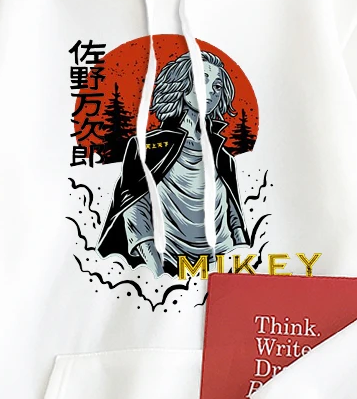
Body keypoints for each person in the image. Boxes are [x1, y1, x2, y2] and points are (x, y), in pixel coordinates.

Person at [97, 50, 250, 277]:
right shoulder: (147, 147)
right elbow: (135, 213)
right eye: (201, 79)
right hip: (168, 269)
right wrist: (158, 275)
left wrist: (241, 261)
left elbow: (234, 219)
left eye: (218, 86)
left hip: (222, 266)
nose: (211, 91)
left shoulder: (223, 156)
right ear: (180, 84)